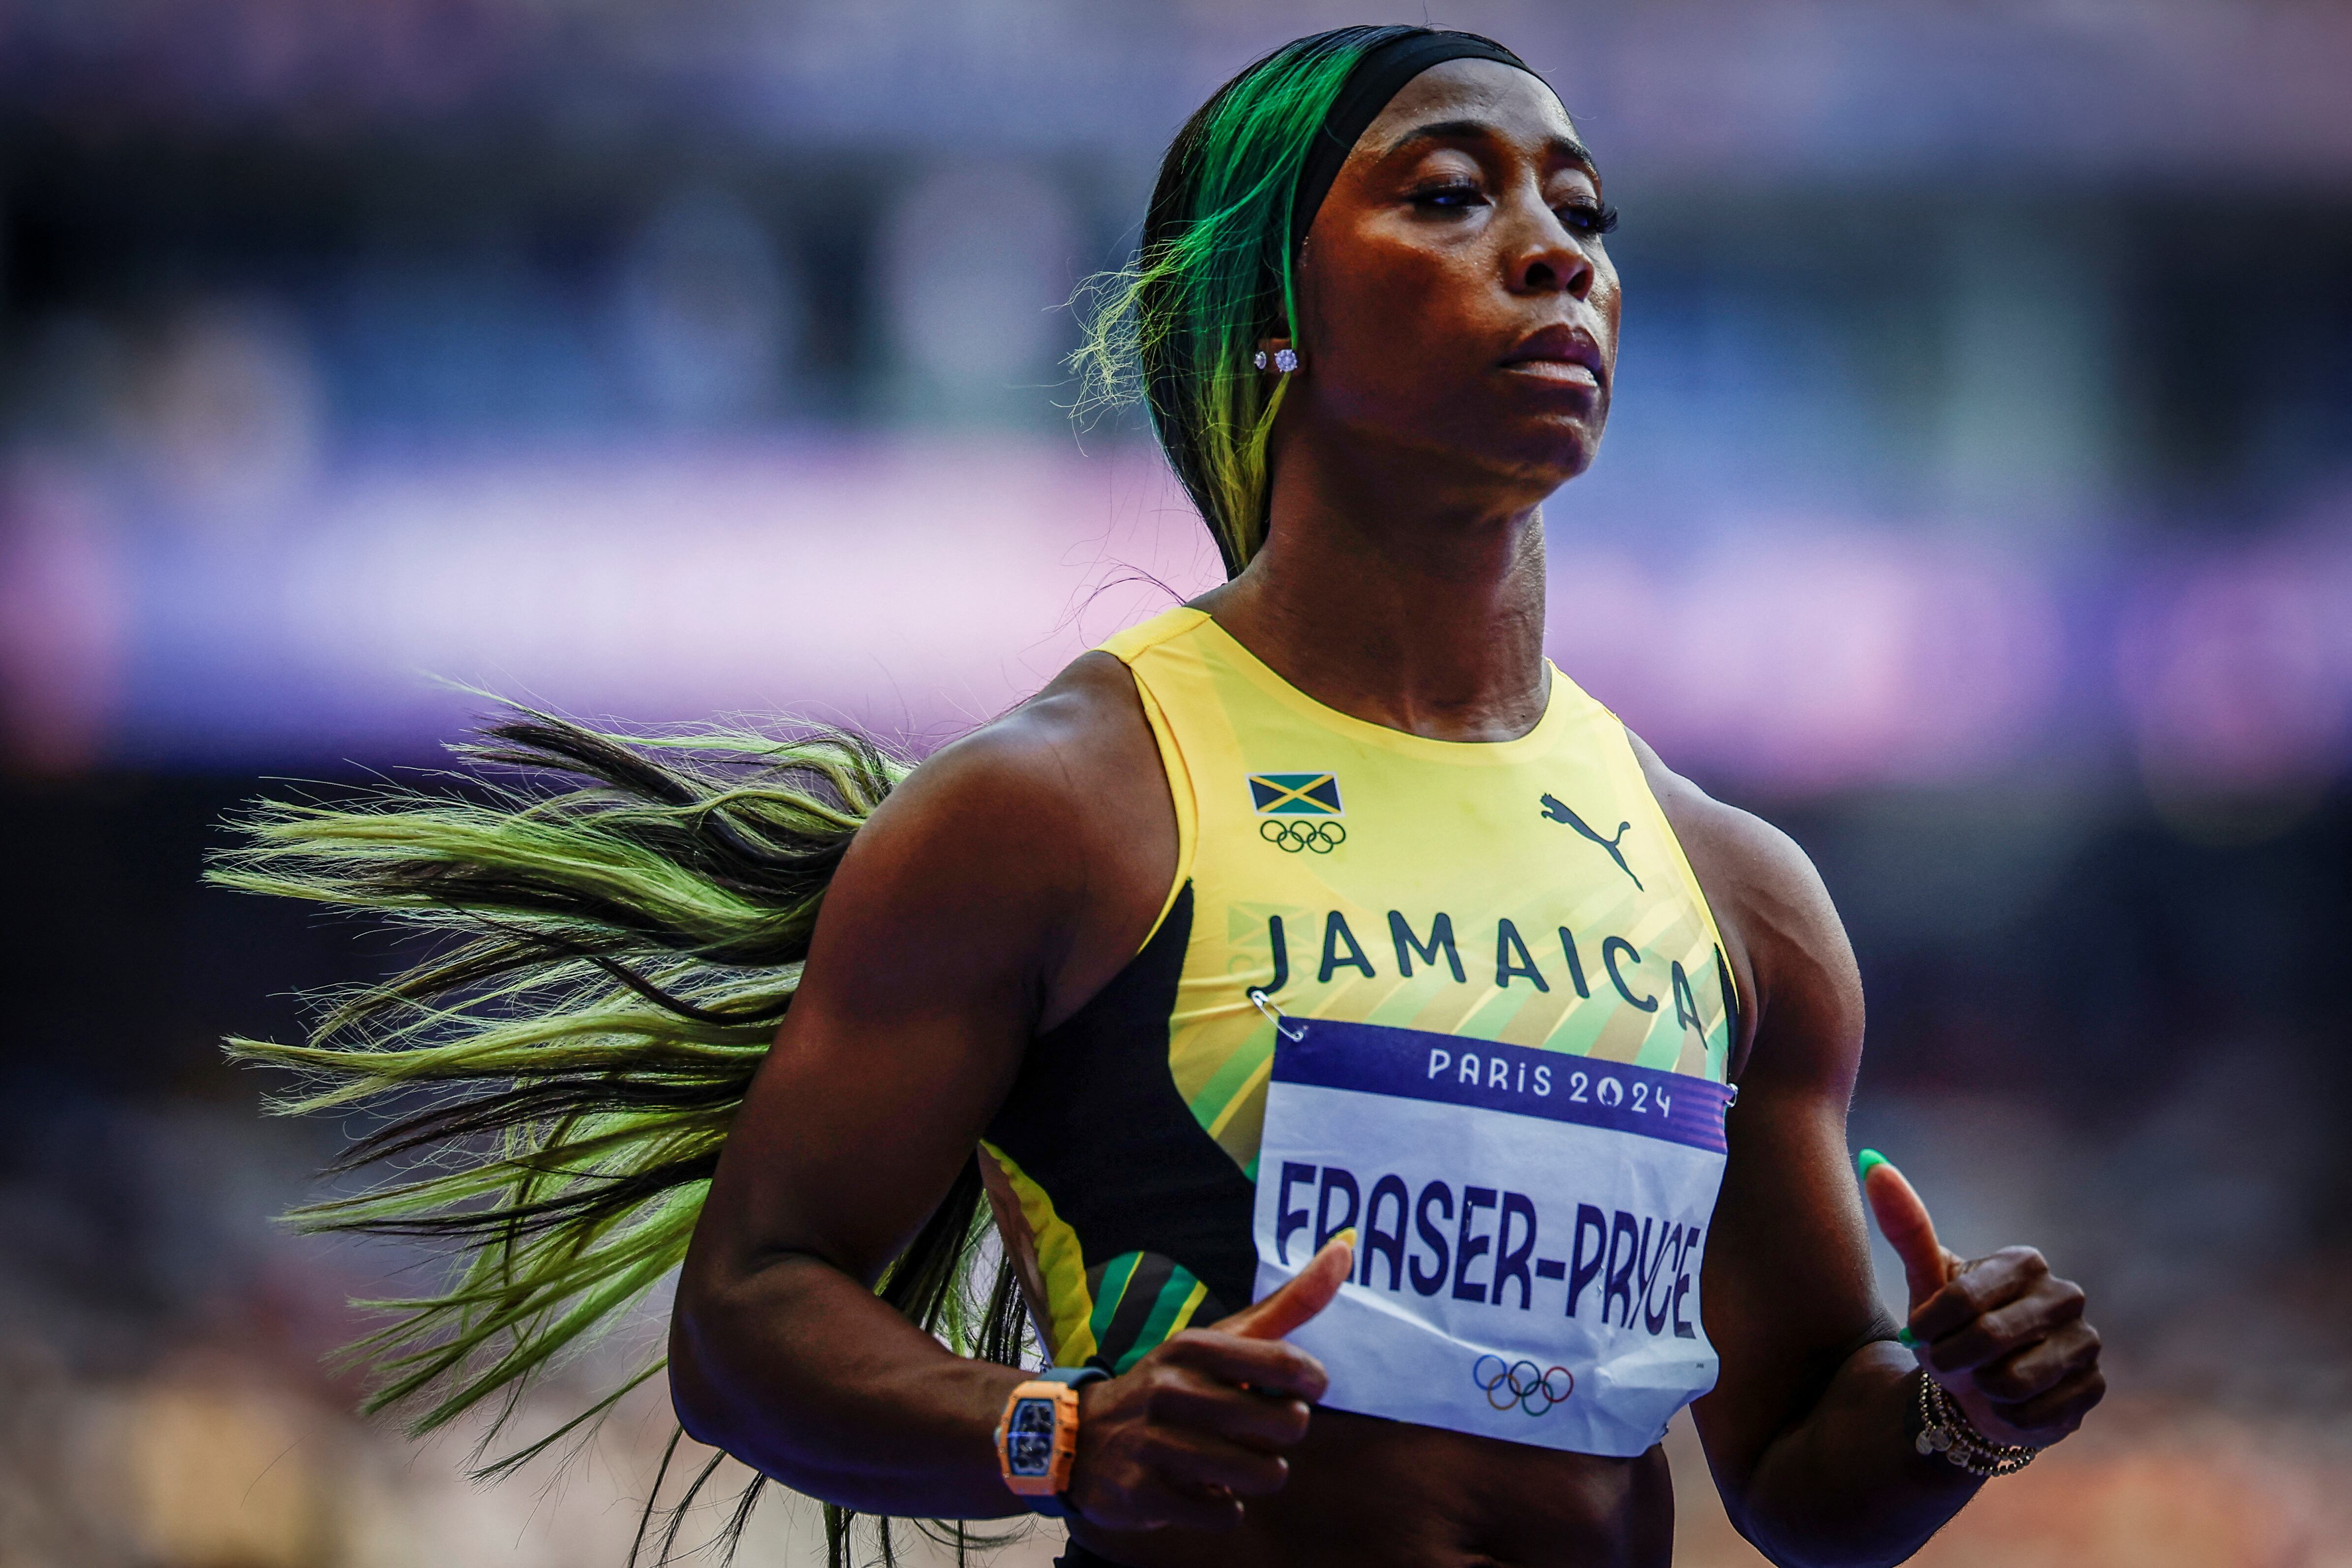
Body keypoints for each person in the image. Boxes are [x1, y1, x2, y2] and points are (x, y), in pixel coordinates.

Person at [222, 24, 2103, 1568]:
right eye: (1451, 195)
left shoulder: (1737, 889)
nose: (1558, 253)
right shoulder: (1068, 806)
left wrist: (1956, 1412)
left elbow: (1797, 1468)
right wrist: (1057, 1430)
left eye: (1585, 213)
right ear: (1269, 310)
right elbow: (750, 1320)